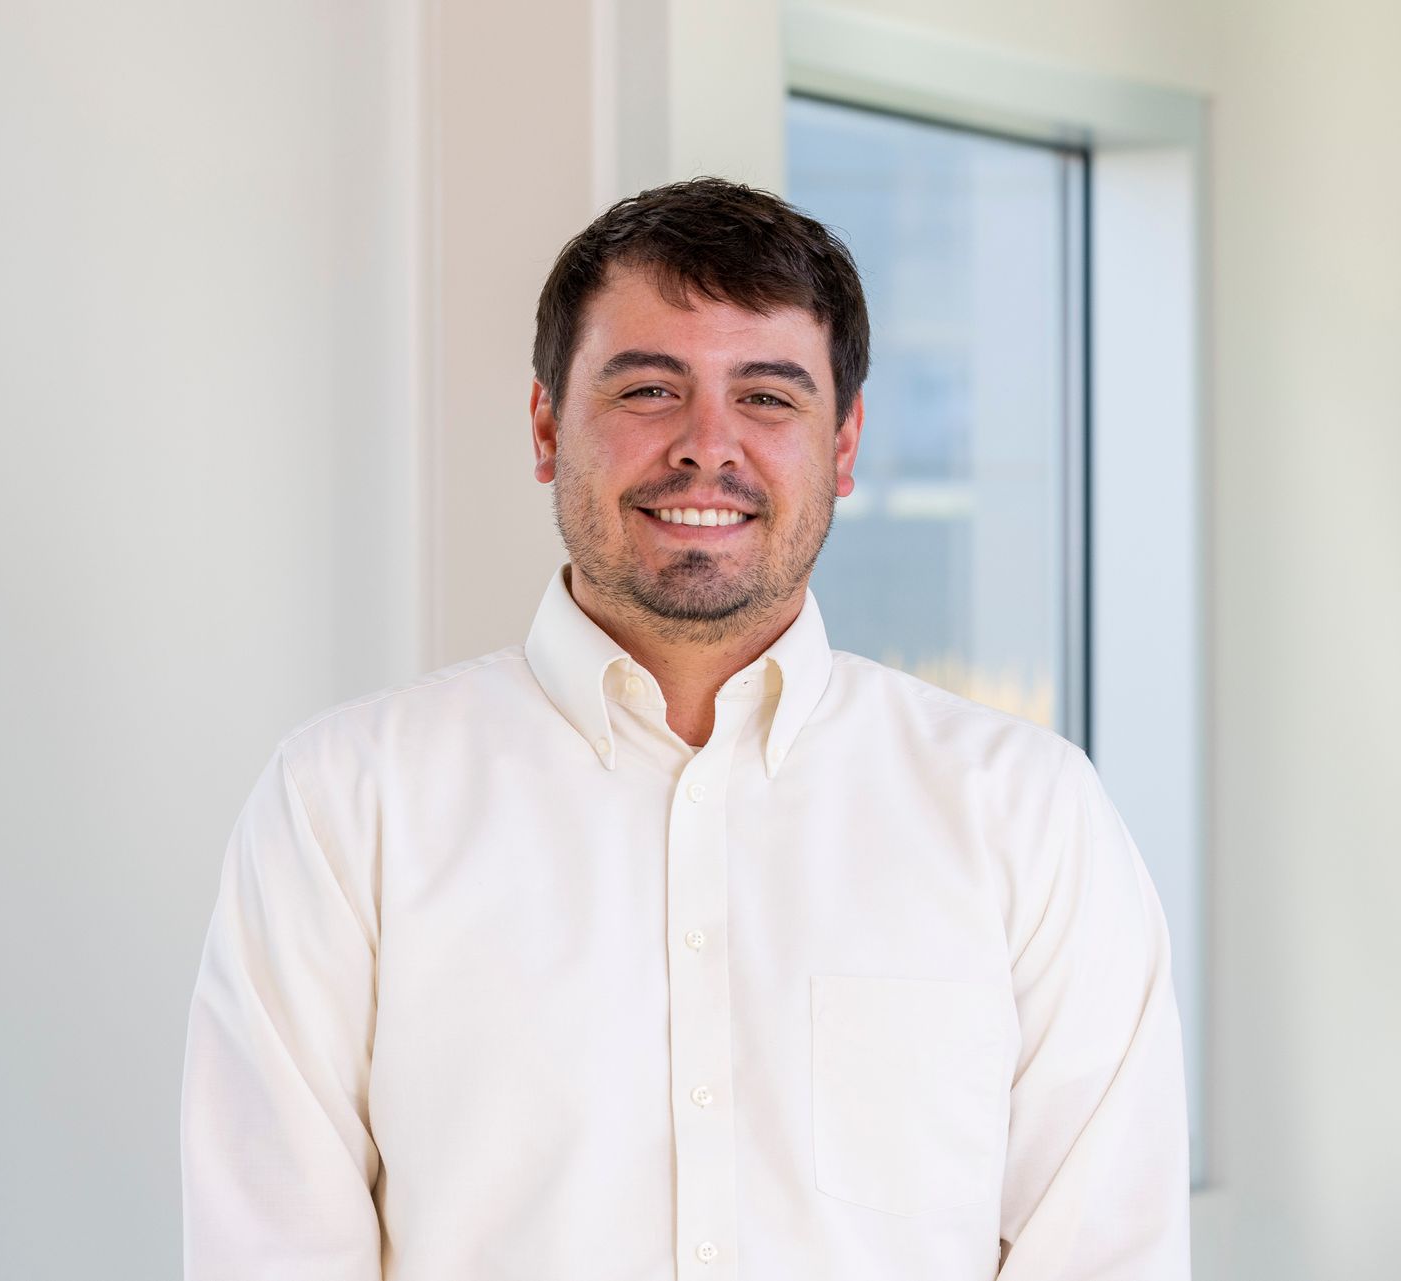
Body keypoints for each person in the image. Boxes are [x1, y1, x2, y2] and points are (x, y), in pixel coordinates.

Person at [179, 176, 1190, 1279]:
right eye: (650, 390)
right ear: (546, 425)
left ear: (844, 444)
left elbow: (1106, 1253)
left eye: (768, 397)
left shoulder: (1028, 816)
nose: (708, 447)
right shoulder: (345, 806)